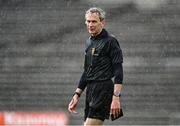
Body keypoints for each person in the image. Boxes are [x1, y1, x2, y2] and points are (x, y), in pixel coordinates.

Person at [68, 7, 123, 126]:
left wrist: (116, 97)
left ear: (102, 22)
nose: (90, 24)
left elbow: (119, 70)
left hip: (103, 89)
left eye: (94, 21)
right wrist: (77, 94)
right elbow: (87, 70)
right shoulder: (89, 42)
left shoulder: (110, 41)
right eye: (88, 21)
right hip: (90, 90)